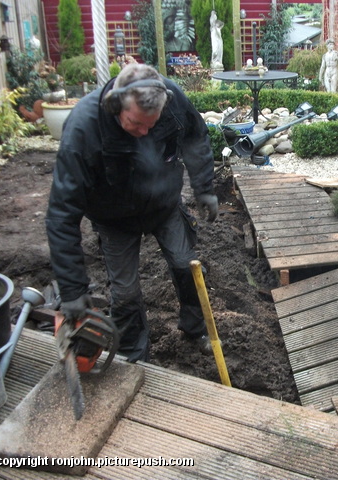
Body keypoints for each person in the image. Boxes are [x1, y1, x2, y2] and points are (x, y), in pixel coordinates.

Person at [45, 63, 218, 362]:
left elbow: (195, 135)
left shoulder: (171, 98)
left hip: (164, 206)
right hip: (114, 219)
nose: (144, 133)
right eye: (135, 124)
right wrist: (73, 289)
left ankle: (195, 328)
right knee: (124, 292)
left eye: (151, 126)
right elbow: (62, 213)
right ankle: (134, 355)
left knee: (185, 264)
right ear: (115, 105)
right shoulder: (83, 129)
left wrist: (204, 187)